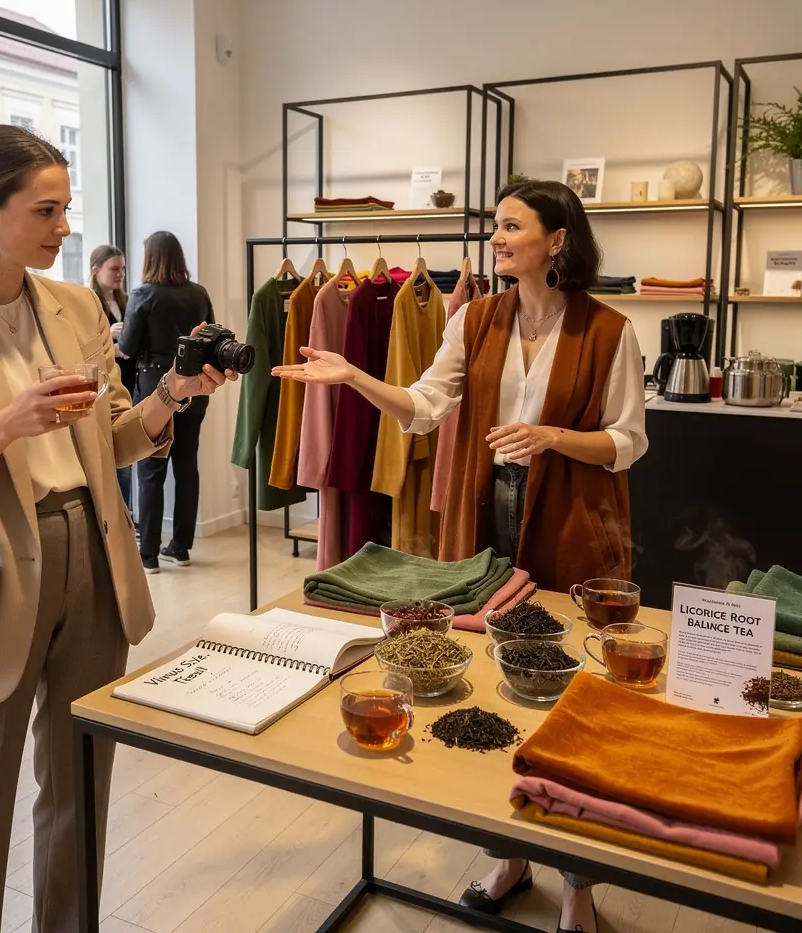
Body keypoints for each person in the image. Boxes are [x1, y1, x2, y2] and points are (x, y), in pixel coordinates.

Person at [0, 124, 237, 933]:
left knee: (79, 792)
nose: (66, 227)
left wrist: (172, 393)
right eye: (47, 210)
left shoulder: (72, 309)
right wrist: (6, 426)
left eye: (68, 208)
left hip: (93, 560)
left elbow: (113, 442)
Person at [274, 178, 648, 933]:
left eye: (512, 226)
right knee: (485, 674)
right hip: (484, 507)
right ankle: (508, 855)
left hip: (573, 513)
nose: (498, 237)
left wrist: (550, 438)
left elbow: (628, 441)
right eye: (496, 226)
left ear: (558, 240)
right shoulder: (476, 317)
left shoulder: (610, 329)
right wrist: (354, 377)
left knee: (566, 680)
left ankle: (577, 883)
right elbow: (424, 406)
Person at [119, 231, 213, 573]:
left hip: (155, 387)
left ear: (150, 258)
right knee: (187, 466)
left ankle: (148, 555)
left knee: (150, 470)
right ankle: (181, 547)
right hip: (194, 387)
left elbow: (127, 347)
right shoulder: (198, 293)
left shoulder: (143, 293)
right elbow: (210, 336)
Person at [89, 243, 136, 511]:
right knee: (116, 461)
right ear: (96, 270)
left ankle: (126, 515)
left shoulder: (127, 301)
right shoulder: (87, 302)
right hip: (105, 388)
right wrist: (111, 341)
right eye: (115, 269)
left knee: (127, 458)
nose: (120, 275)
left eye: (123, 269)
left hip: (127, 383)